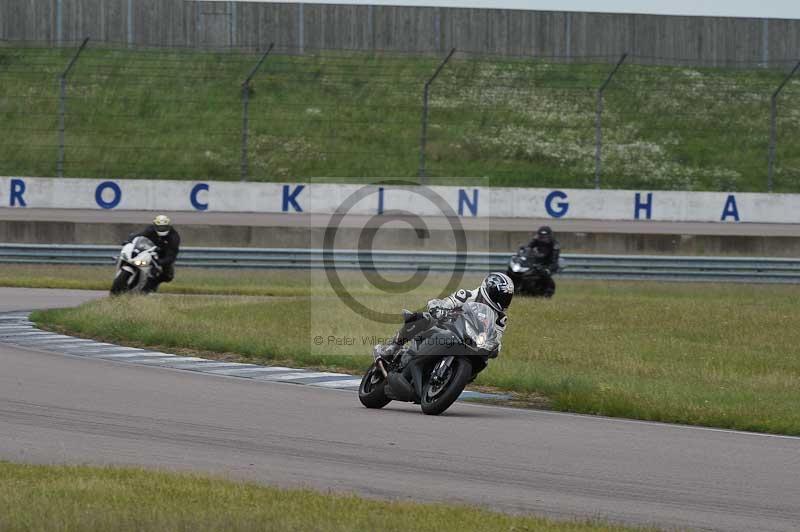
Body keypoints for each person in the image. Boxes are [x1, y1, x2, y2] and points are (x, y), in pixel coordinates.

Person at [373, 272, 514, 363]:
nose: (503, 300)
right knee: (422, 318)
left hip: (471, 343)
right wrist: (438, 309)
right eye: (500, 296)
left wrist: (495, 348)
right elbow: (446, 303)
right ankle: (392, 348)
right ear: (488, 289)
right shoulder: (467, 295)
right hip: (448, 327)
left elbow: (497, 339)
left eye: (506, 297)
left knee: (481, 361)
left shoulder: (500, 319)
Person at [128, 214, 181, 293]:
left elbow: (172, 255)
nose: (161, 229)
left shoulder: (174, 236)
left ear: (168, 226)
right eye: (159, 227)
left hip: (164, 254)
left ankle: (148, 288)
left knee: (168, 276)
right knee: (133, 255)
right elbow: (138, 235)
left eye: (164, 227)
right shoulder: (150, 230)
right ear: (155, 225)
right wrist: (129, 241)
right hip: (147, 250)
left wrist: (159, 262)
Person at [525, 225, 560, 297]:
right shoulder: (536, 240)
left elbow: (554, 260)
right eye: (541, 236)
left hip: (549, 263)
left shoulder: (555, 244)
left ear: (549, 236)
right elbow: (528, 247)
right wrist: (525, 251)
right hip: (537, 261)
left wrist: (548, 269)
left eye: (545, 237)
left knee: (544, 273)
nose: (543, 239)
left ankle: (548, 291)